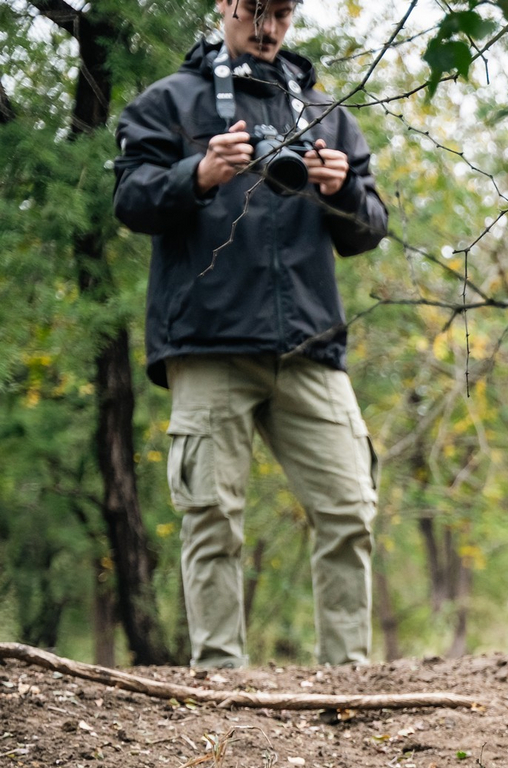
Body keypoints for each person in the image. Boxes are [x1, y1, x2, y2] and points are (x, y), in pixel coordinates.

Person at [113, 0, 387, 670]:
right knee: (211, 516)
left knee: (350, 508)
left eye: (282, 13)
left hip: (310, 344)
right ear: (223, 5)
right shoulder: (169, 102)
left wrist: (343, 190)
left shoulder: (324, 112)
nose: (267, 28)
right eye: (253, 10)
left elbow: (369, 228)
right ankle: (219, 681)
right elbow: (130, 200)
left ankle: (348, 681)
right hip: (207, 342)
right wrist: (199, 174)